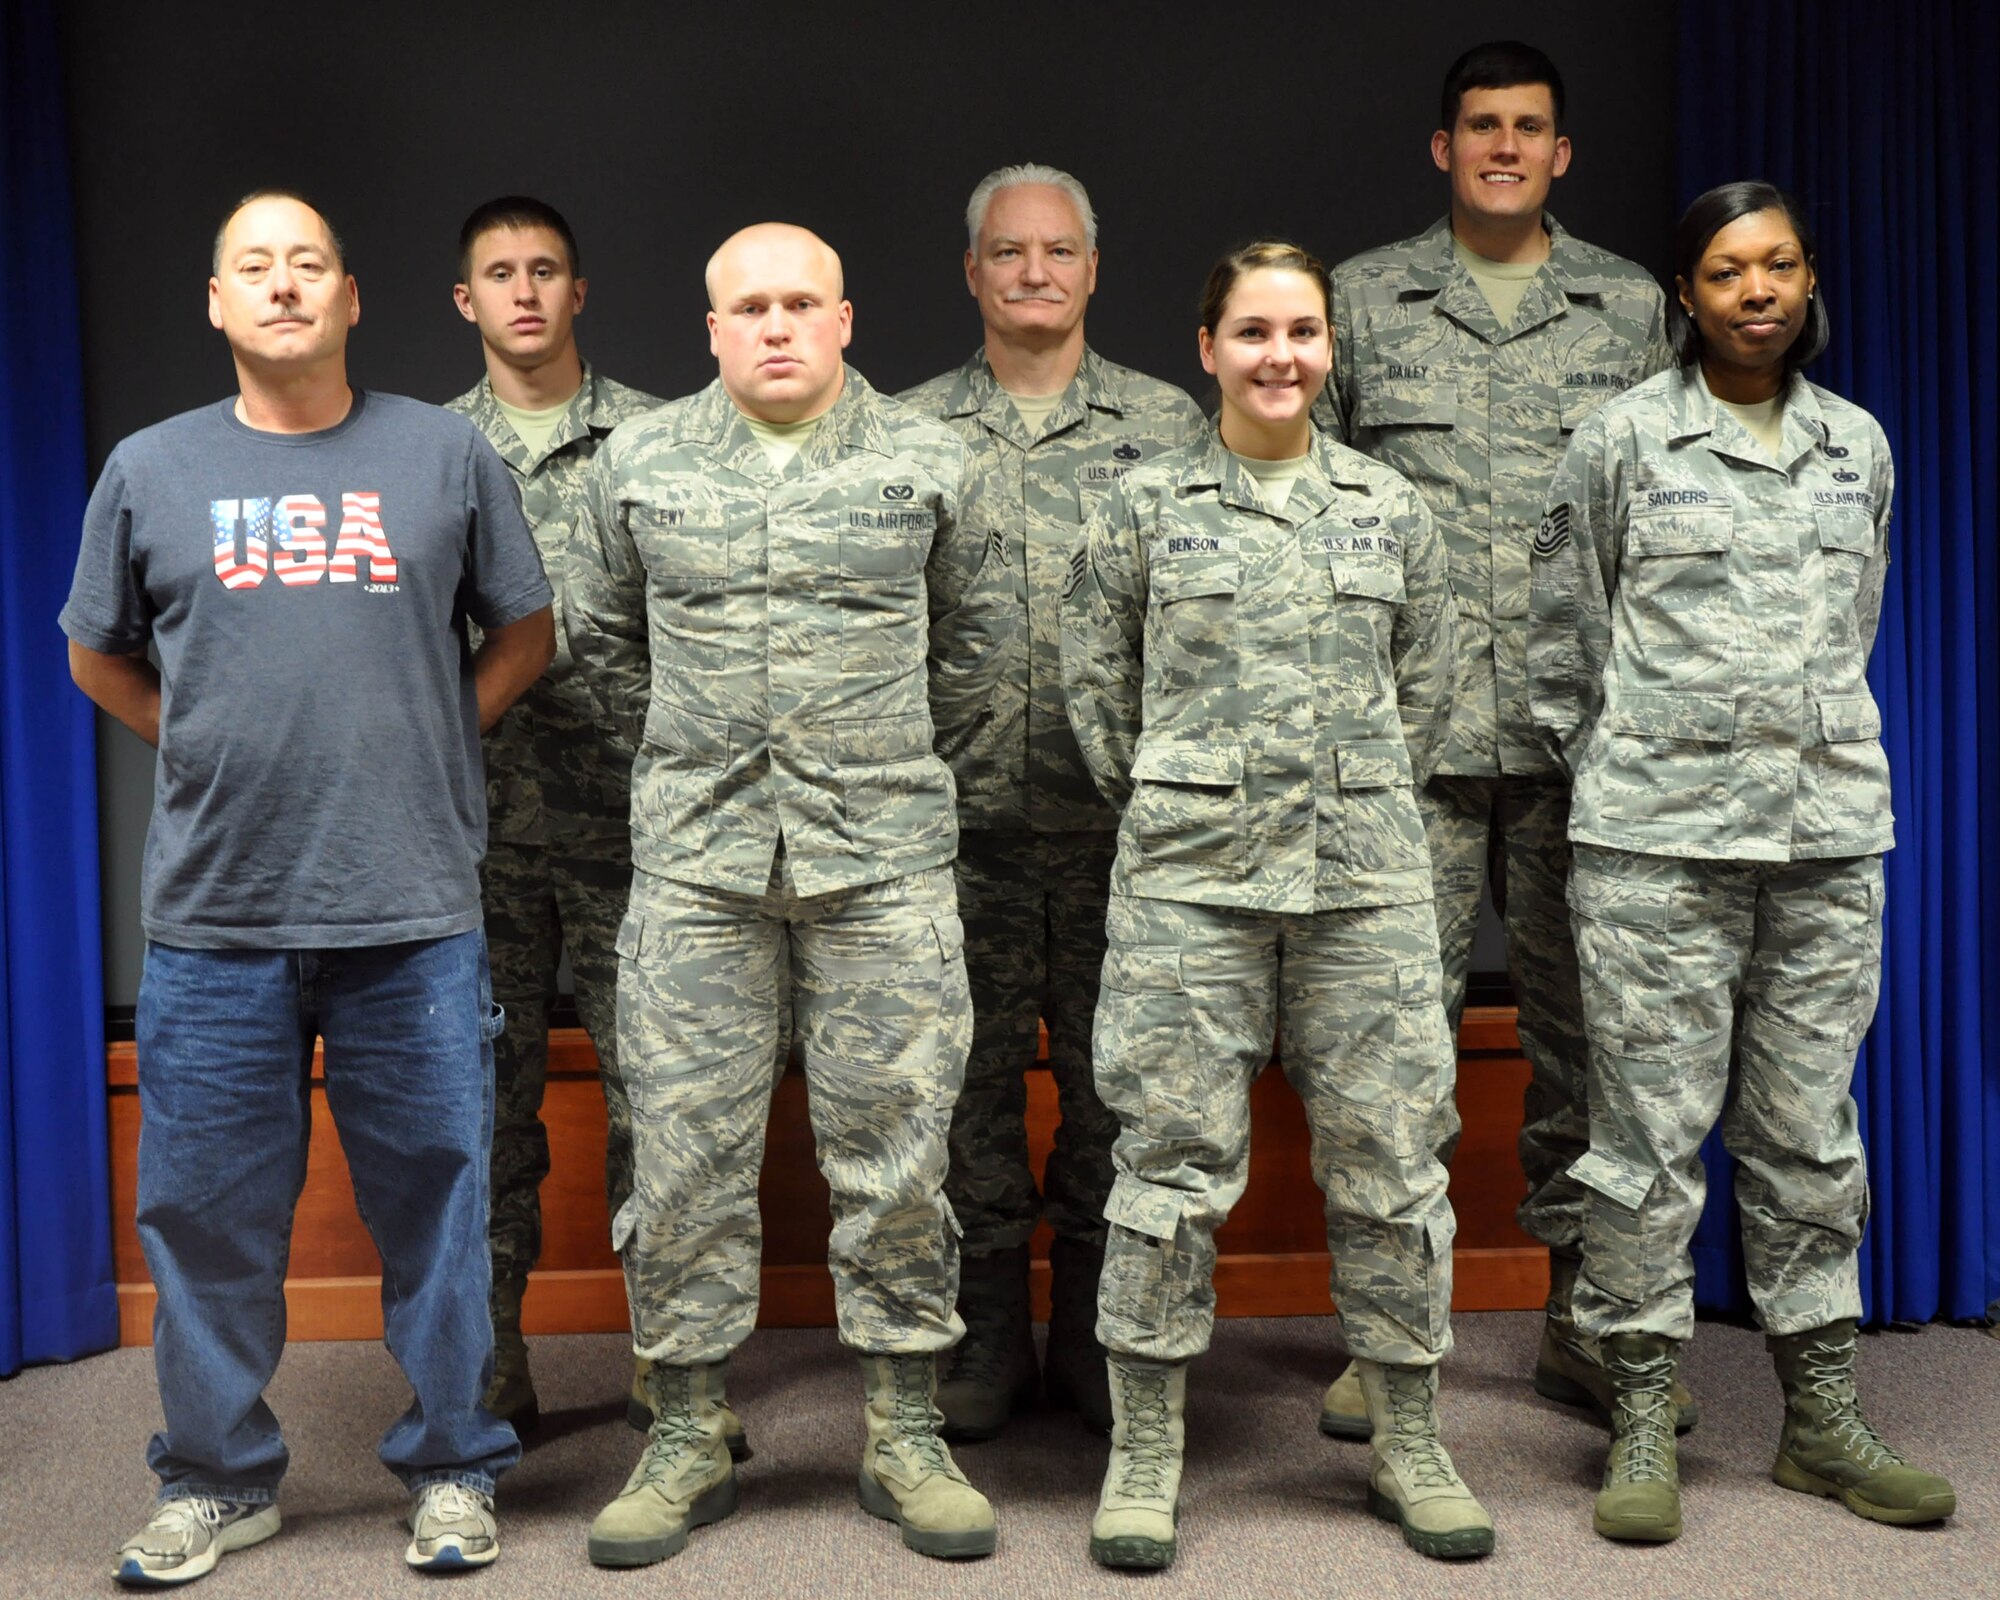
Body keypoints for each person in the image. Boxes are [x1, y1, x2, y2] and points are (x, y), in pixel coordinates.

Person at [64, 190, 554, 1584]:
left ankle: (456, 1466)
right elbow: (98, 653)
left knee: (443, 1208)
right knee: (205, 1218)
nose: (283, 287)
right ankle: (218, 1479)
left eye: (310, 266)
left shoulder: (443, 454)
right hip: (216, 920)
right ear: (216, 305)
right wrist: (206, 739)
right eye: (253, 268)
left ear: (350, 299)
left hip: (411, 910)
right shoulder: (149, 469)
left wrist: (433, 729)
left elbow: (529, 625)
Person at [565, 222, 1010, 1567]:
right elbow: (596, 647)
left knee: (899, 1159)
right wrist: (694, 759)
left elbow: (979, 660)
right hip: (699, 865)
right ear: (711, 329)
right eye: (748, 306)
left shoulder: (934, 461)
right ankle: (688, 1433)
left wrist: (875, 770)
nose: (775, 324)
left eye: (799, 302)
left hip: (881, 864)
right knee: (686, 1159)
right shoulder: (636, 464)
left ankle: (904, 1430)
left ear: (845, 317)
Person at [1527, 180, 1956, 1543]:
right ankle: (1642, 1410)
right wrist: (1641, 768)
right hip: (1656, 848)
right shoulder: (1621, 442)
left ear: (1809, 280)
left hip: (1825, 843)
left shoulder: (1859, 448)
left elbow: (1859, 620)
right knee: (1645, 1144)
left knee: (1808, 1139)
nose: (1756, 291)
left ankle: (1820, 1422)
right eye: (1727, 271)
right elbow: (1562, 645)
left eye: (1777, 266)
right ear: (1687, 296)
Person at [1062, 240, 1491, 1569]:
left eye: (1302, 331)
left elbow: (1427, 694)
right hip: (1190, 892)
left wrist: (1345, 796)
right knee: (1166, 1170)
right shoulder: (1139, 507)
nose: (1281, 356)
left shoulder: (1391, 508)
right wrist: (1199, 799)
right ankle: (1145, 1446)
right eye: (1253, 332)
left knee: (1394, 1167)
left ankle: (1410, 1435)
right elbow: (1096, 702)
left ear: (1328, 347)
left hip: (1362, 888)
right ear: (1208, 348)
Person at [1313, 39, 1685, 1442]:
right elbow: (1318, 505)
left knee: (1586, 1049)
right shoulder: (1364, 300)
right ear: (1443, 147)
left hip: (1581, 747)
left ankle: (1586, 1324)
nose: (1506, 147)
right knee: (1388, 1050)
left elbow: (1657, 528)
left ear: (1562, 153)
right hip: (1404, 744)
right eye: (1482, 126)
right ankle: (1389, 1336)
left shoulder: (1629, 307)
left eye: (1530, 127)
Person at [900, 164, 1204, 1439]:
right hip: (948, 826)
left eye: (1058, 250)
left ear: (1093, 268)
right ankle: (980, 1333)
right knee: (961, 1091)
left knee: (1109, 1087)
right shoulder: (901, 430)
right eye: (1007, 251)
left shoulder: (1170, 426)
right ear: (970, 271)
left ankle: (1086, 1323)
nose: (1033, 271)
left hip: (1116, 830)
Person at [445, 194, 697, 1441]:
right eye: (500, 273)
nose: (526, 291)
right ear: (466, 301)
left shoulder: (661, 440)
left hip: (634, 836)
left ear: (579, 290)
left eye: (547, 268)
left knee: (660, 1107)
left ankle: (671, 1367)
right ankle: (487, 1374)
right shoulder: (425, 451)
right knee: (482, 1119)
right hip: (475, 844)